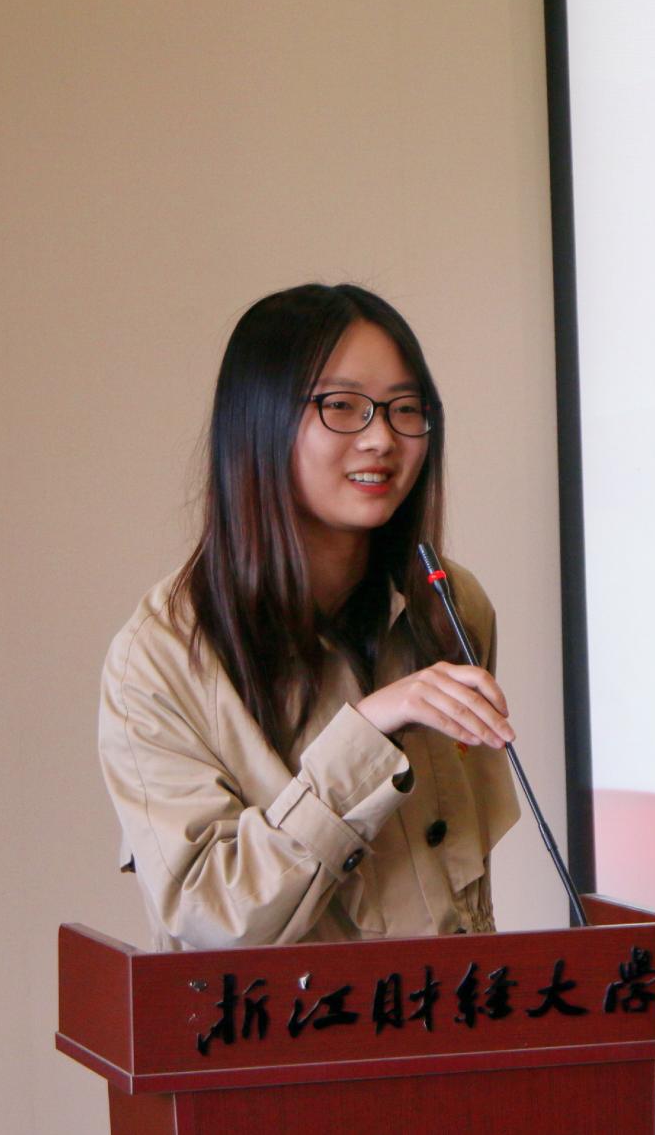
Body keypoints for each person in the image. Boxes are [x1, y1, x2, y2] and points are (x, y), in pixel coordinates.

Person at [99, 284, 520, 949]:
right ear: (258, 423)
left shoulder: (451, 605)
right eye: (342, 406)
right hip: (292, 1021)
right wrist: (368, 731)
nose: (382, 438)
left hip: (454, 1011)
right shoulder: (158, 659)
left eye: (406, 408)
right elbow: (211, 920)